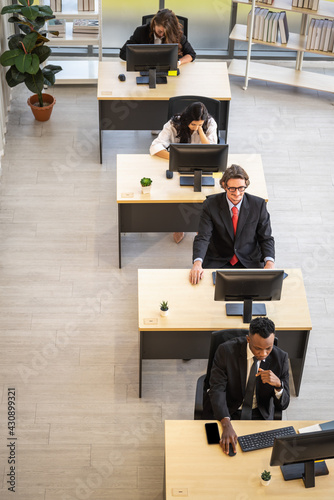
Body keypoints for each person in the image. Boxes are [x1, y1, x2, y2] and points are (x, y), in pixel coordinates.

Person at [208, 317, 290, 455]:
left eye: (268, 348)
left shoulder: (280, 358)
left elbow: (284, 404)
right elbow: (217, 389)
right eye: (258, 348)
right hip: (226, 411)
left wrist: (278, 386)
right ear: (248, 339)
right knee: (215, 452)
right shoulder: (226, 351)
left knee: (259, 457)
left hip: (259, 414)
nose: (263, 354)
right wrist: (226, 423)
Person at [189, 164, 275, 284]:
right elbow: (203, 237)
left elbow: (266, 238)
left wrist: (269, 262)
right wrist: (197, 263)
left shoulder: (258, 205)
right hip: (219, 259)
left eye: (241, 188)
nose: (237, 193)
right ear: (224, 186)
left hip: (248, 260)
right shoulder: (210, 204)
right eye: (232, 189)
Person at [150, 101, 218, 243]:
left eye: (199, 124)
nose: (195, 127)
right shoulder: (174, 124)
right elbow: (155, 147)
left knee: (203, 193)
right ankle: (179, 225)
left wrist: (200, 130)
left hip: (202, 164)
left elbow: (212, 149)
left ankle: (199, 224)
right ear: (186, 120)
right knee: (177, 193)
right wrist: (178, 158)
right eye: (193, 124)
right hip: (180, 165)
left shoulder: (210, 123)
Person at [119, 9, 196, 66]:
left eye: (166, 33)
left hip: (169, 72)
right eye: (160, 31)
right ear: (155, 23)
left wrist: (179, 62)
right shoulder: (141, 31)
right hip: (147, 69)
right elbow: (123, 53)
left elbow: (191, 54)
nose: (162, 35)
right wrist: (142, 59)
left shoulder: (175, 33)